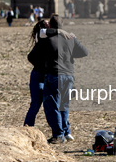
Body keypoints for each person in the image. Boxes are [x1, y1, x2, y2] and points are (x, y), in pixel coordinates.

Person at [30, 14, 88, 144]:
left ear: (50, 25)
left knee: (52, 105)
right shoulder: (71, 38)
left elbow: (32, 55)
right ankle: (66, 132)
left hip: (54, 74)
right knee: (64, 105)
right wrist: (70, 53)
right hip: (69, 75)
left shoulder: (47, 37)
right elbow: (84, 52)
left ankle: (58, 134)